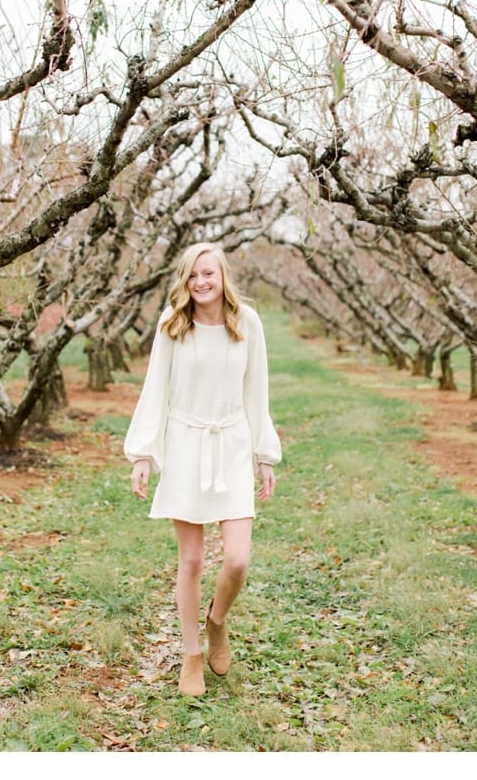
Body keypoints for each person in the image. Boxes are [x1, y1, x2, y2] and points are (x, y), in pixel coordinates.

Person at [125, 242, 282, 696]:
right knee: (191, 560)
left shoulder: (246, 323)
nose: (201, 282)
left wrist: (263, 454)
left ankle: (217, 621)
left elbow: (257, 391)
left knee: (237, 560)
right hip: (186, 443)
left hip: (230, 443)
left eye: (209, 273)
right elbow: (155, 389)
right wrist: (143, 454)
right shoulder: (173, 325)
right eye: (193, 275)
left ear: (222, 276)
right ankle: (191, 653)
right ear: (185, 280)